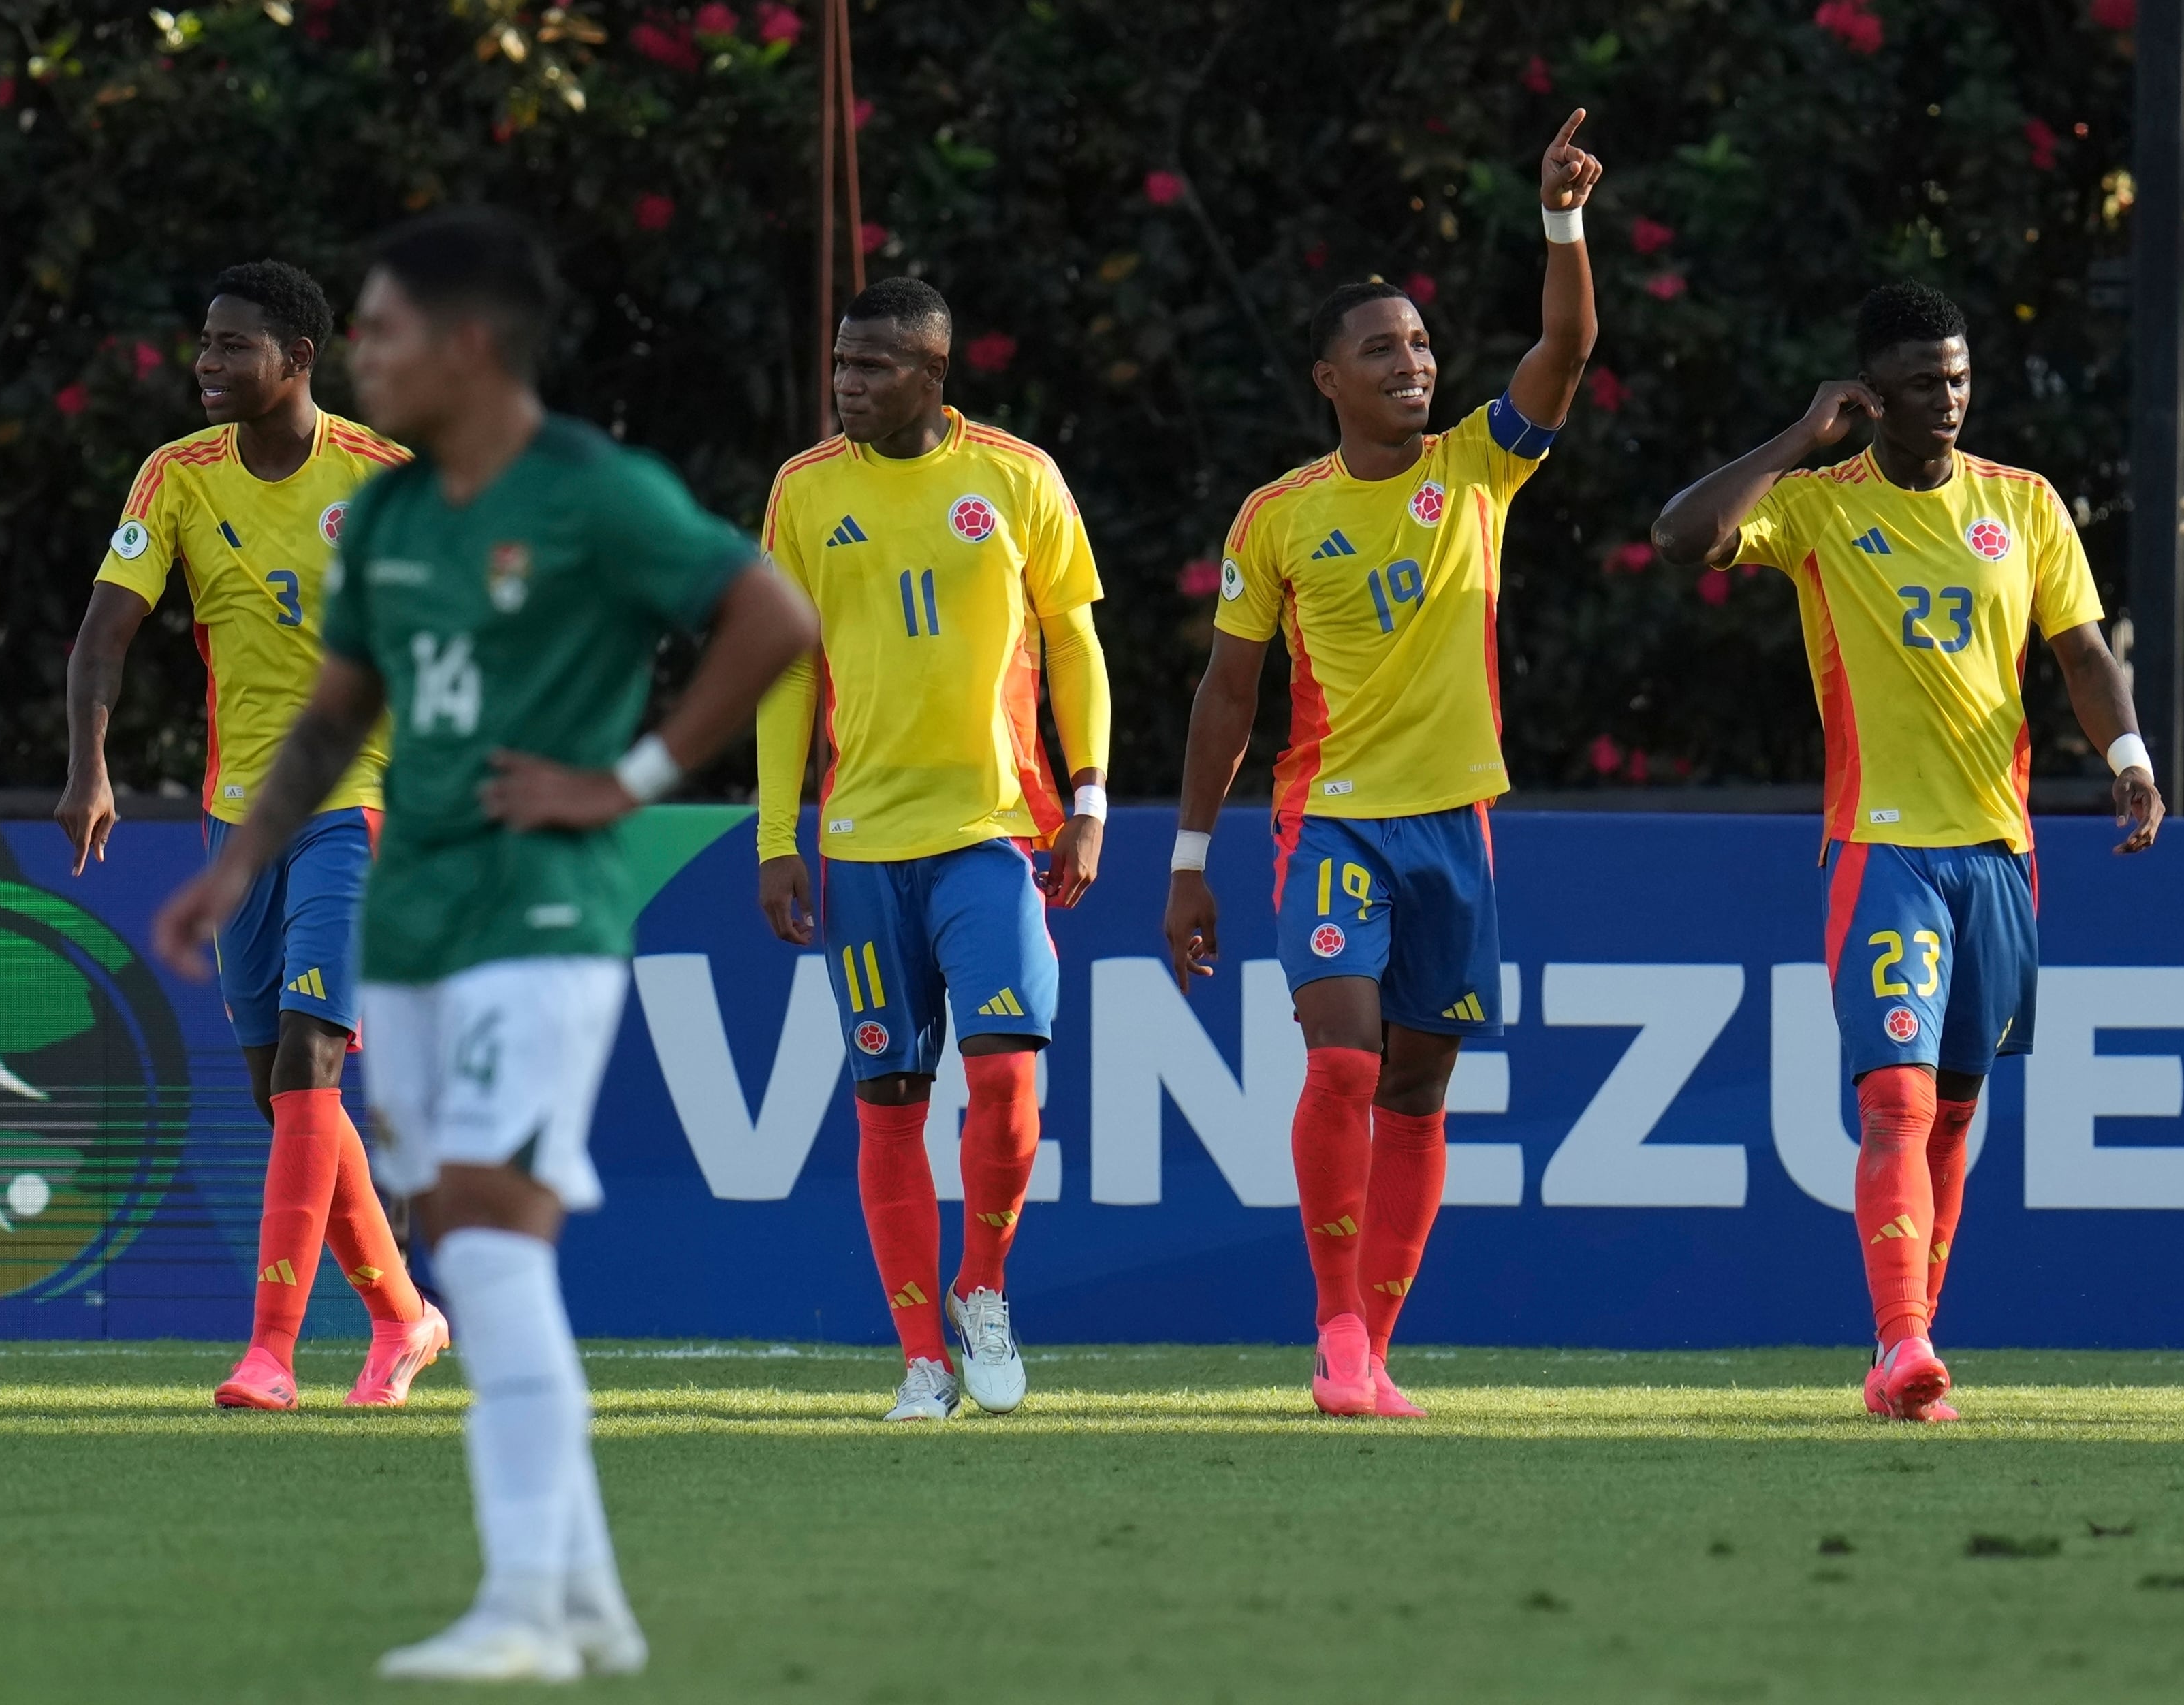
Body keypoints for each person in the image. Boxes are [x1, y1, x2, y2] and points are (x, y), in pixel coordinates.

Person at [153, 207, 817, 1681]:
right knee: (466, 1229)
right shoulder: (390, 515)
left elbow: (771, 615)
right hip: (418, 916)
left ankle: (526, 1601)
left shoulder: (590, 488)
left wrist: (632, 780)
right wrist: (238, 863)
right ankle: (584, 1603)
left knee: (494, 1243)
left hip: (537, 910)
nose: (364, 358)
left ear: (466, 344)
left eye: (383, 331)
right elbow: (337, 712)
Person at [1651, 280, 2166, 1422]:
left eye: (1961, 376)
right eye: (1926, 380)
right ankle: (1900, 1346)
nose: (1950, 397)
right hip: (1881, 847)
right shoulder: (1820, 507)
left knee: (1959, 1112)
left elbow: (2081, 652)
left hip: (1996, 849)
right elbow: (1682, 537)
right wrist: (1798, 436)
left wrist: (2127, 752)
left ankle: (1910, 1352)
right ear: (1872, 395)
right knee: (1896, 1099)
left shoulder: (2023, 505)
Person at [1163, 114, 1604, 1418]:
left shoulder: (1480, 470)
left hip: (1453, 828)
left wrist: (1562, 219)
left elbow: (1569, 347)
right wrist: (1191, 862)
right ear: (1329, 381)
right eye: (1381, 350)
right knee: (1344, 1064)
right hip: (1336, 824)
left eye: (1419, 344)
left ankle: (1374, 1346)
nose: (1412, 363)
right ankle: (1335, 1336)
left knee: (1417, 1087)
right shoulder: (1281, 516)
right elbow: (1227, 695)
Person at [55, 260, 443, 1410]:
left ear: (300, 361)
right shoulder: (175, 478)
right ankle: (404, 1318)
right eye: (205, 345)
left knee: (315, 1058)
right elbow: (101, 639)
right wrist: (91, 769)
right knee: (283, 1100)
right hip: (240, 820)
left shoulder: (383, 480)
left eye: (233, 346)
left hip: (361, 803)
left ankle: (270, 1352)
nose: (208, 364)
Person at [757, 276, 1111, 1423]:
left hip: (995, 831)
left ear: (932, 373)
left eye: (870, 366)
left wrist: (1091, 796)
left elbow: (1075, 642)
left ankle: (984, 1287)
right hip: (862, 844)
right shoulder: (804, 492)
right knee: (889, 1099)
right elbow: (788, 668)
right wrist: (777, 835)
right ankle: (921, 1359)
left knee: (1008, 1074)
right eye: (840, 364)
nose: (846, 383)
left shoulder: (1015, 477)